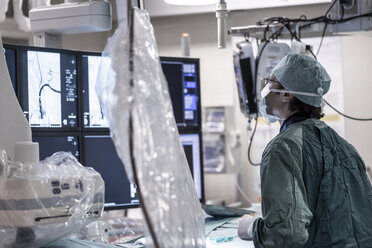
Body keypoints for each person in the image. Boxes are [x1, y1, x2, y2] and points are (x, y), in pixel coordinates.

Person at [238, 53, 372, 247]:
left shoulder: (281, 149)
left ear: (286, 94)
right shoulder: (345, 147)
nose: (265, 89)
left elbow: (285, 236)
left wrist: (251, 228)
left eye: (270, 82)